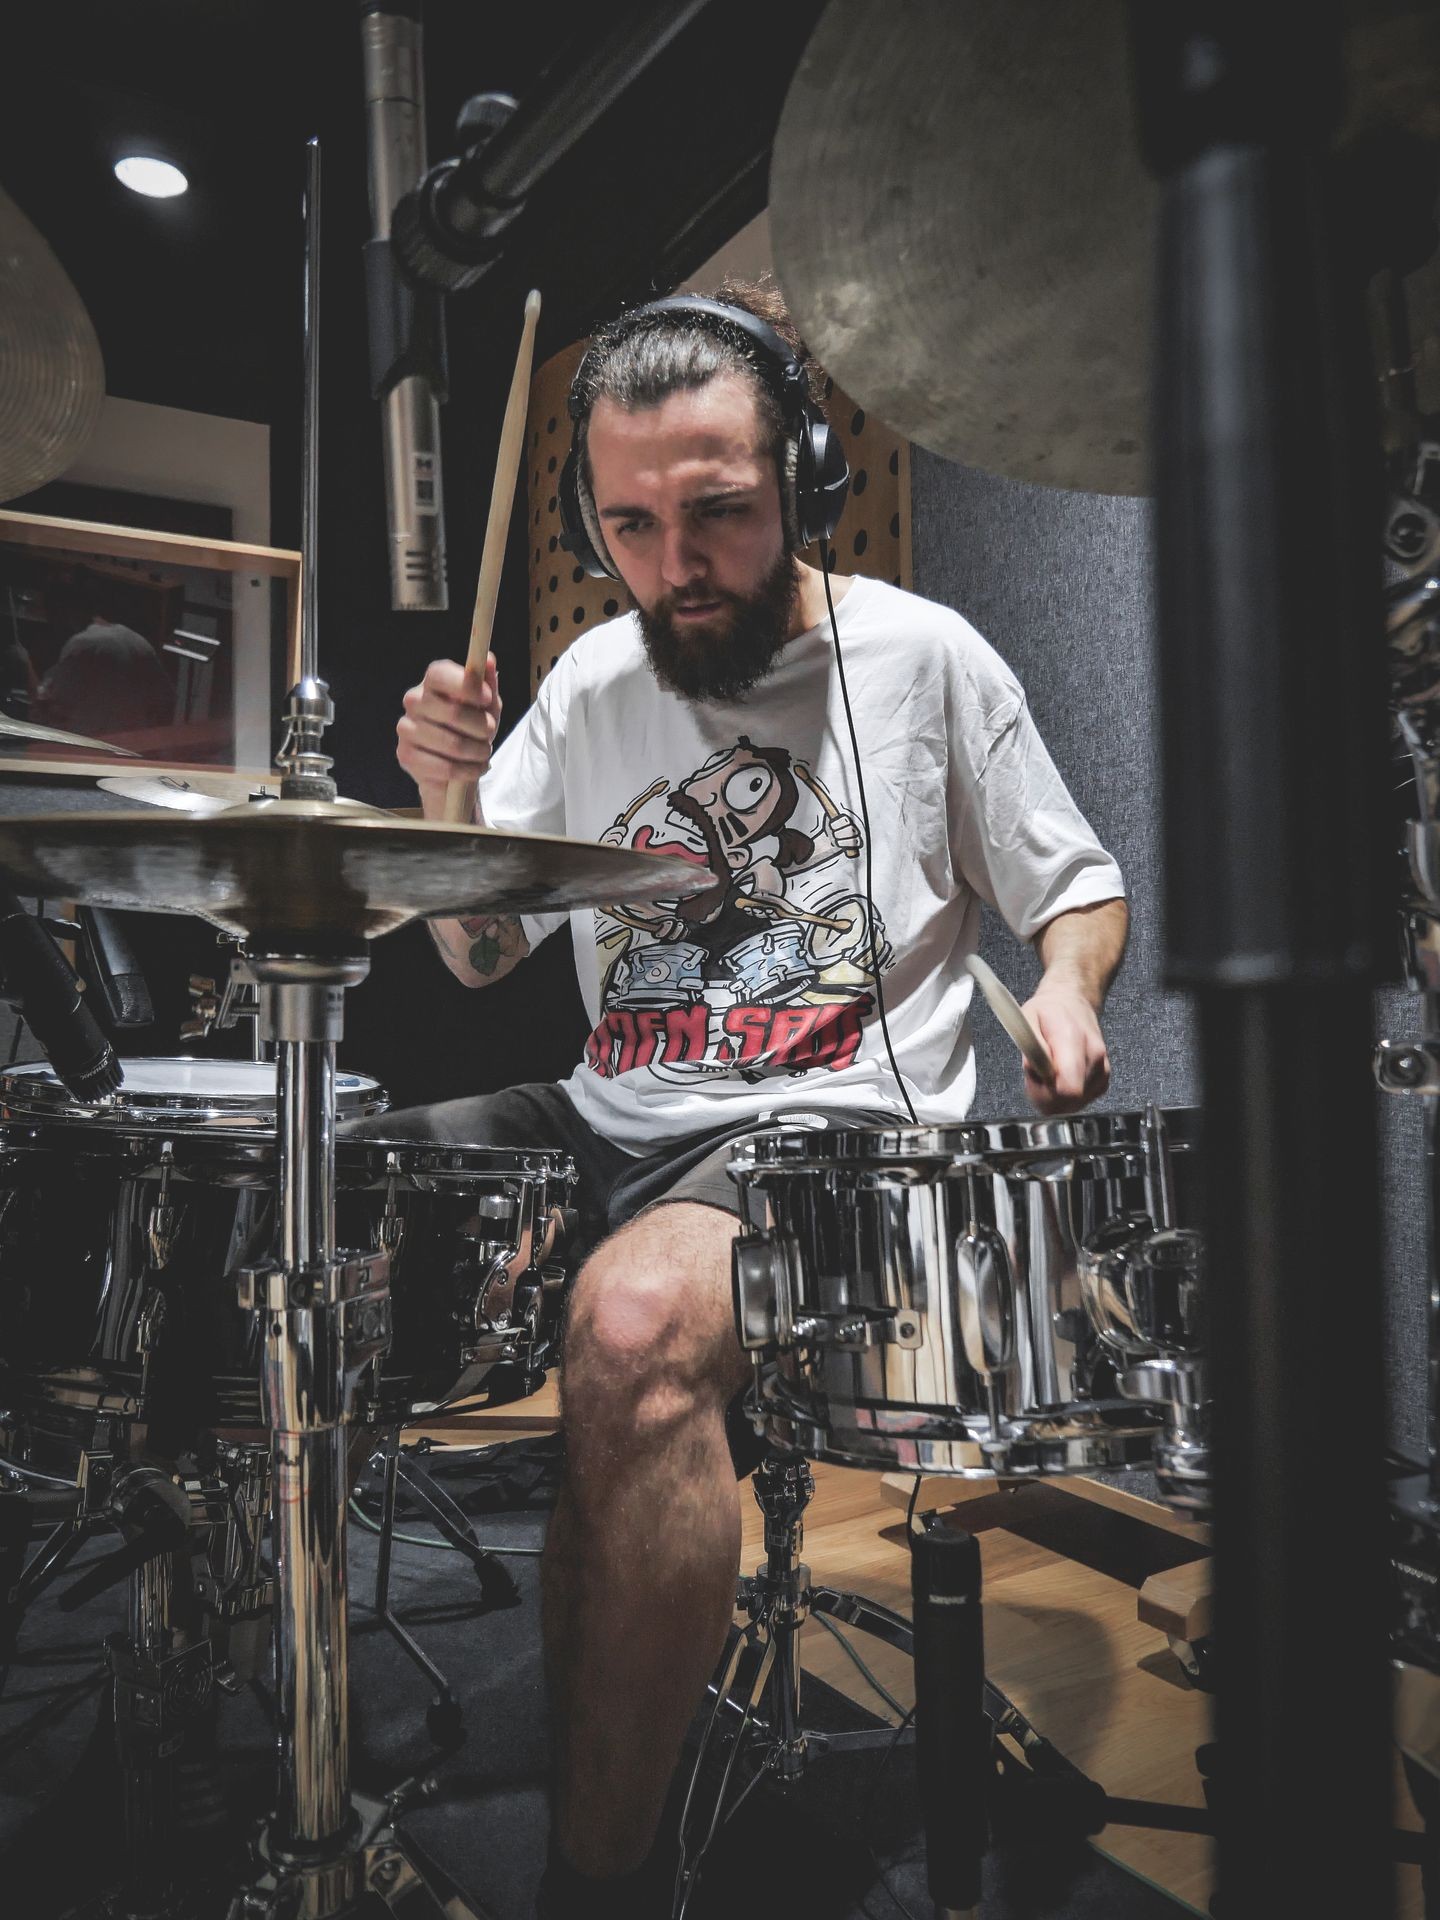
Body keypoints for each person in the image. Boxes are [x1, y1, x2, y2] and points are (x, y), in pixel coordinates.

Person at [378, 282, 1128, 1918]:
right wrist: (445, 790)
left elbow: (1075, 885)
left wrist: (1068, 988)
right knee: (314, 1209)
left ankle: (604, 1888)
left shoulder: (923, 658)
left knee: (636, 1328)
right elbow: (485, 952)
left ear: (804, 475)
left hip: (825, 1131)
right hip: (612, 1104)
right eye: (633, 524)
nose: (674, 565)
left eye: (715, 513)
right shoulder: (590, 683)